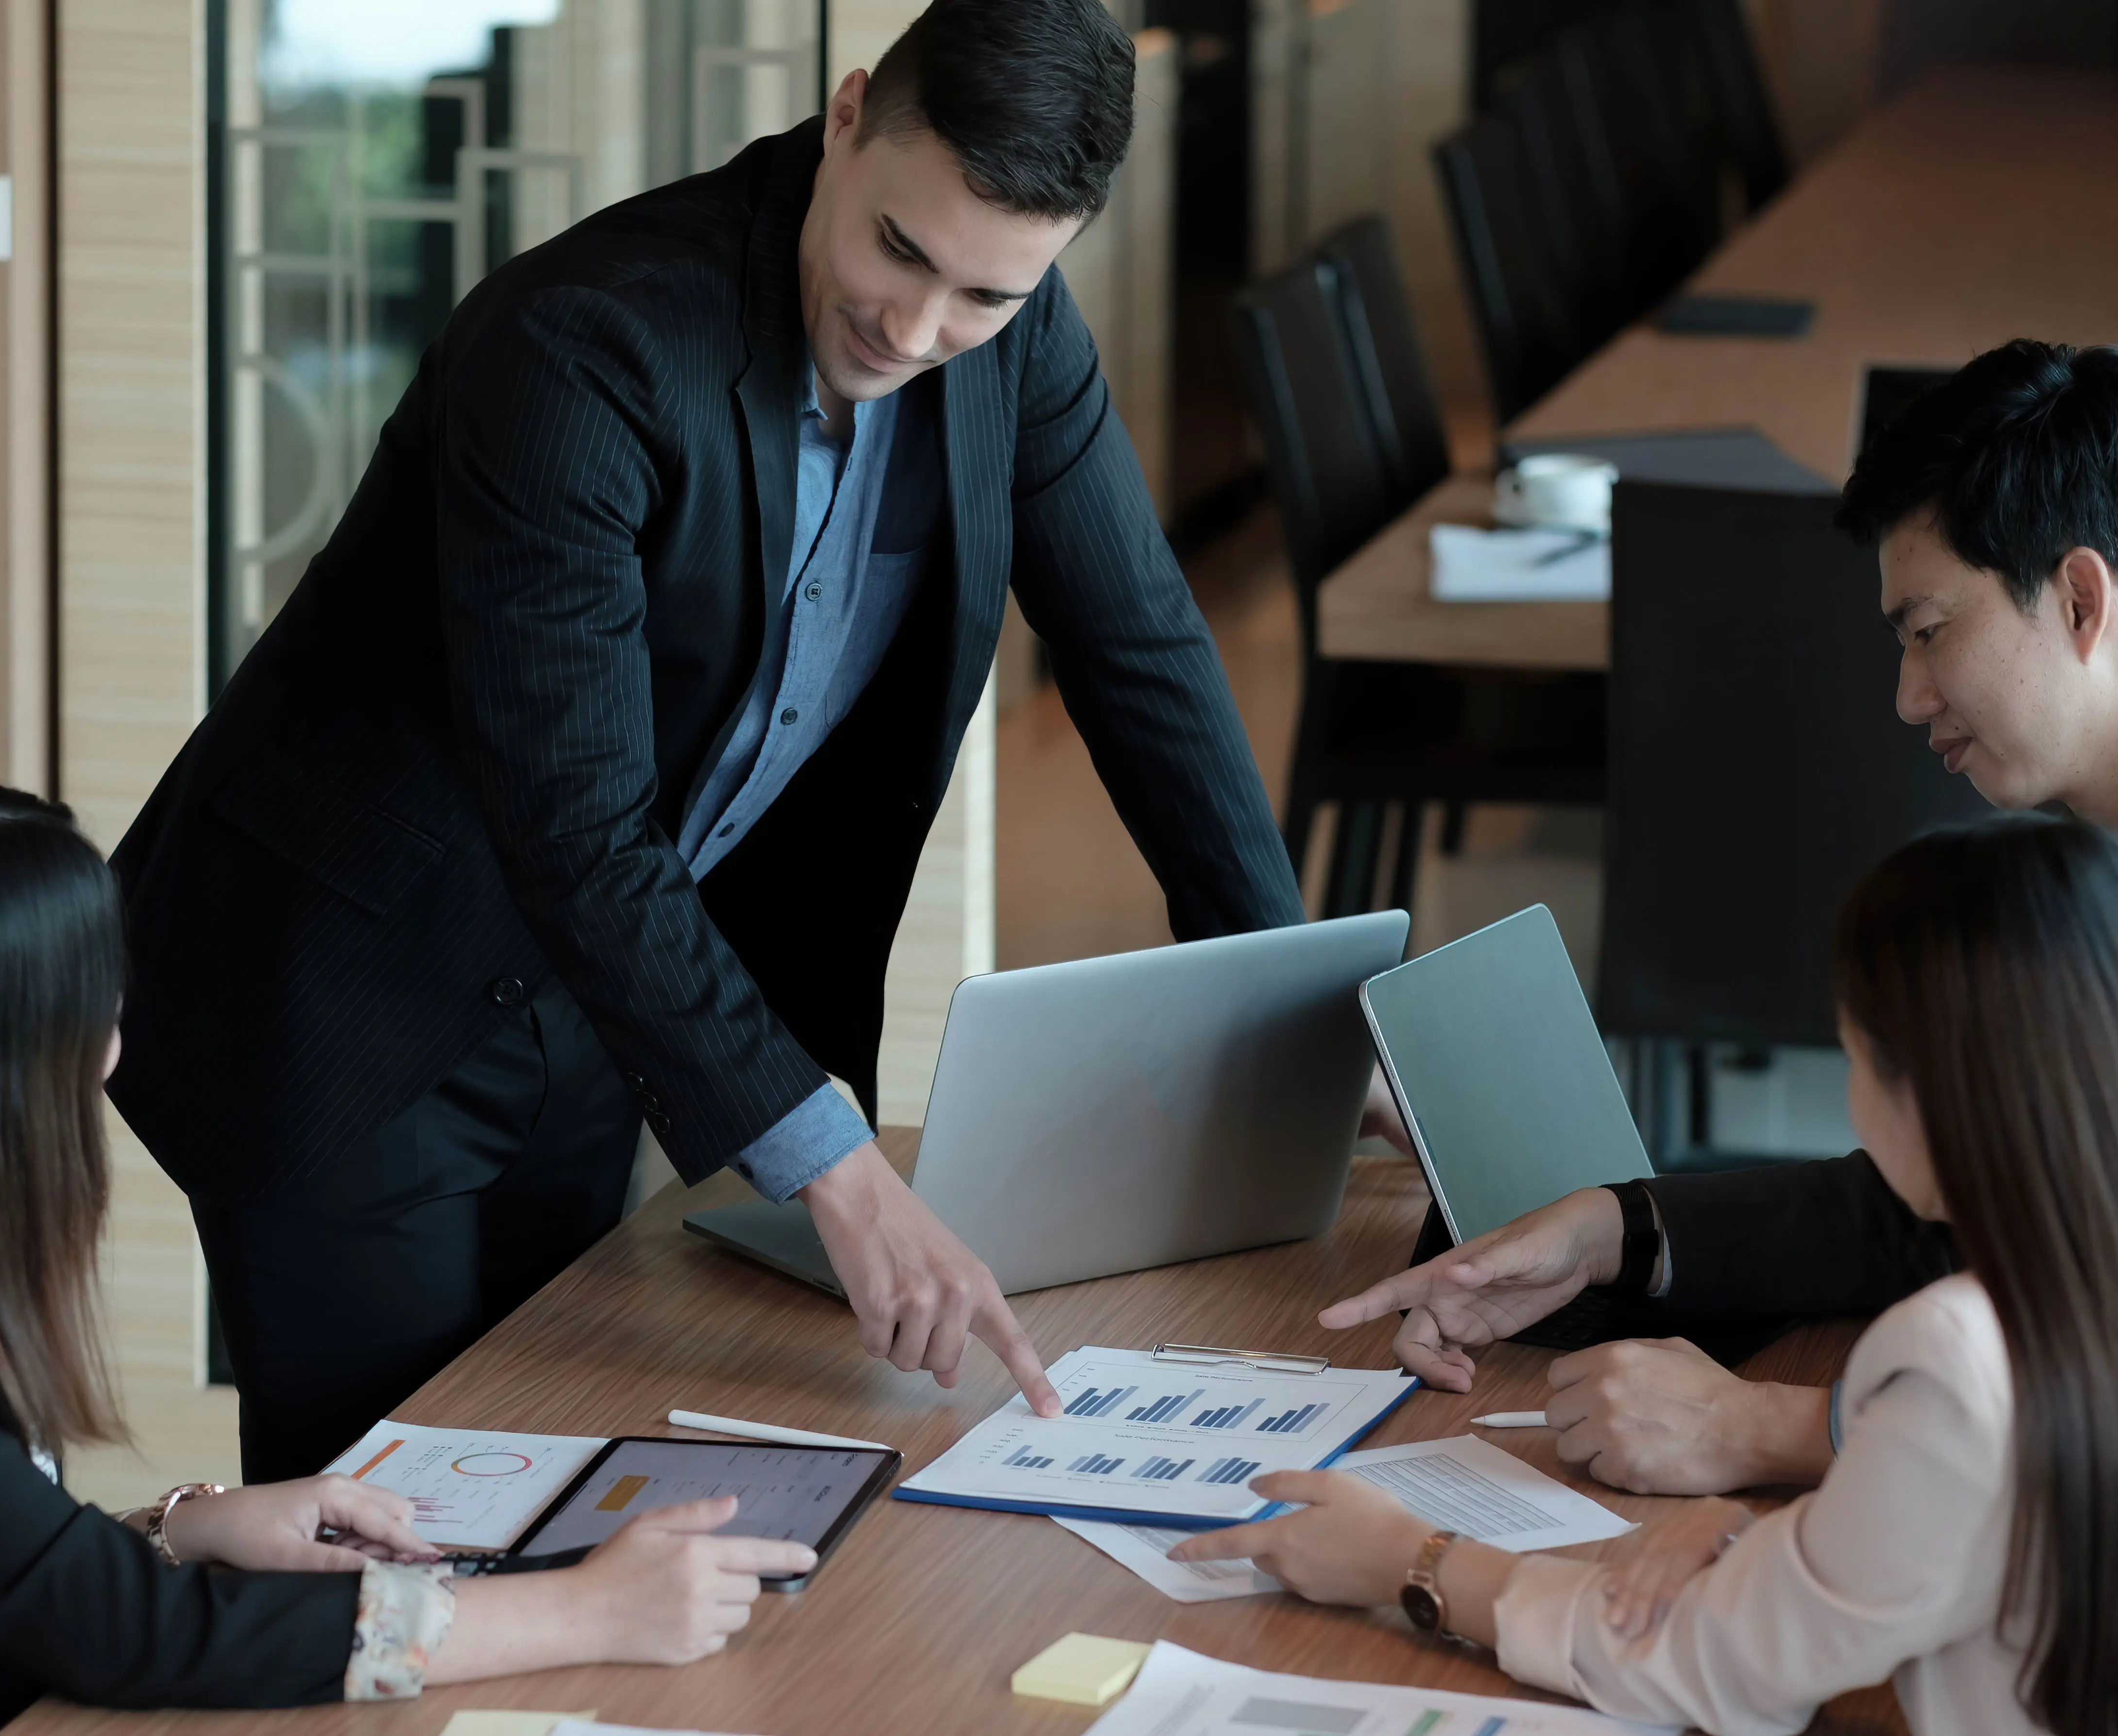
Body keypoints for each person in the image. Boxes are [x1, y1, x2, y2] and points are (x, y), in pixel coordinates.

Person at [107, 0, 1306, 1483]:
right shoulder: (586, 344)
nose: (918, 330)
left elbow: (1142, 651)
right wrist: (845, 1176)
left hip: (594, 989)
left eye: (983, 297)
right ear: (849, 115)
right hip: (352, 990)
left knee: (530, 1455)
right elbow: (580, 822)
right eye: (898, 251)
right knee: (381, 1511)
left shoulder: (1017, 335)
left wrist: (1297, 1002)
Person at [0, 783, 811, 1735]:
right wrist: (583, 1613)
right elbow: (113, 1634)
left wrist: (180, 1526)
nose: (119, 1045)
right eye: (103, 1004)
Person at [1325, 339, 2118, 1494]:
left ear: (2079, 598)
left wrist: (1780, 1431)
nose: (1909, 698)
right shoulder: (2098, 844)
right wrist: (1612, 1230)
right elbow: (1959, 1198)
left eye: (1928, 632)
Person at [1178, 816, 2118, 1736]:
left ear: (1920, 1086)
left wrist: (1406, 1560)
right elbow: (1993, 1538)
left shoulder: (1956, 1360)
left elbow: (1712, 1669)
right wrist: (1771, 1541)